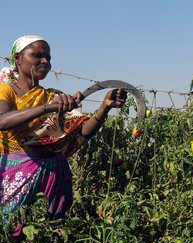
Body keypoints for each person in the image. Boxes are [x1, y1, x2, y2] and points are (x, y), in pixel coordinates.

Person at [0, 35, 127, 223]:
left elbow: (82, 132)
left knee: (51, 233)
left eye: (48, 57)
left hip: (54, 175)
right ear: (18, 58)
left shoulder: (52, 96)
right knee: (12, 229)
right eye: (37, 55)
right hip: (17, 174)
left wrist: (104, 107)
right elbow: (2, 121)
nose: (45, 61)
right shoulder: (6, 90)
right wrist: (48, 108)